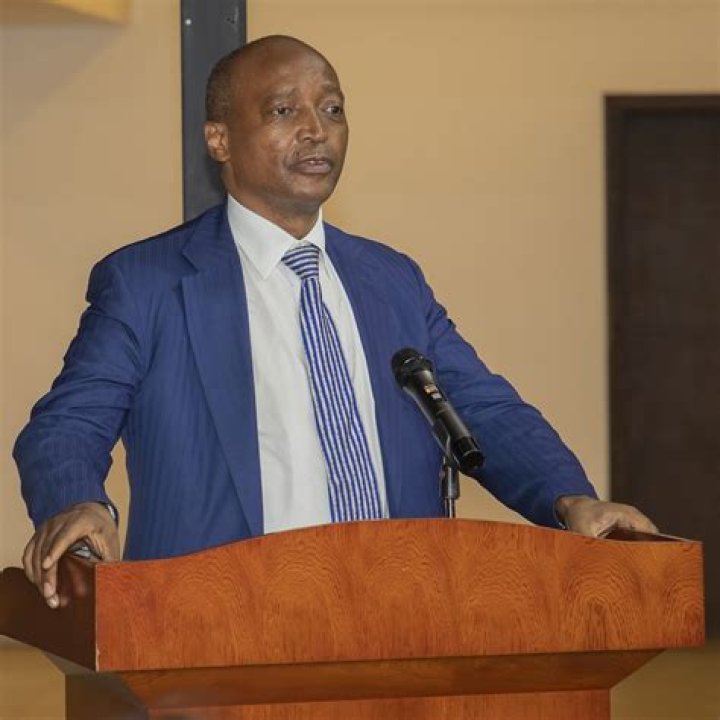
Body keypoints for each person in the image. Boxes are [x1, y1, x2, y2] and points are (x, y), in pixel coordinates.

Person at [14, 35, 656, 610]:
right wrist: (79, 504)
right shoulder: (149, 282)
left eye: (333, 109)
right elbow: (68, 423)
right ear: (219, 140)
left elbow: (482, 407)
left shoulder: (391, 279)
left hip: (401, 616)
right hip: (215, 626)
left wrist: (570, 498)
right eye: (283, 111)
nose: (316, 130)